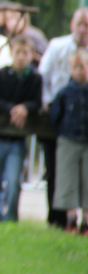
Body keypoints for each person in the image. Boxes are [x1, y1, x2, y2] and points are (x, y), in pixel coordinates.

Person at [39, 7, 88, 229]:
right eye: (80, 24)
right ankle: (58, 219)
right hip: (58, 117)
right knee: (57, 171)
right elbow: (43, 76)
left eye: (87, 25)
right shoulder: (57, 46)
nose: (83, 30)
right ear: (72, 25)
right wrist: (49, 103)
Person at [0, 35, 42, 222]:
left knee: (13, 181)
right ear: (12, 53)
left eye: (25, 53)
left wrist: (24, 108)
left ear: (31, 55)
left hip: (18, 139)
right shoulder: (1, 75)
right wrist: (12, 109)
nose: (21, 56)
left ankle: (11, 216)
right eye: (18, 52)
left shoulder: (35, 78)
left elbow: (36, 101)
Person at [49, 49, 88, 234]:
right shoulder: (64, 93)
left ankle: (86, 222)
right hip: (69, 140)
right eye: (76, 67)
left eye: (84, 66)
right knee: (67, 179)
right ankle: (71, 220)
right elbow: (55, 116)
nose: (81, 70)